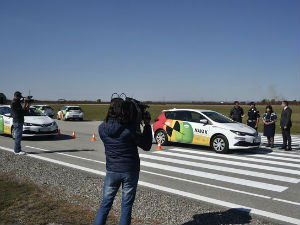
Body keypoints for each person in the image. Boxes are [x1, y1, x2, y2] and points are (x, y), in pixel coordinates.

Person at [94, 98, 152, 225]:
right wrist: (146, 124)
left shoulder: (101, 128)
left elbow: (115, 128)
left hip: (112, 170)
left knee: (105, 204)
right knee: (126, 206)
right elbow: (147, 145)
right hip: (130, 171)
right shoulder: (129, 129)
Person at [10, 91, 29, 155]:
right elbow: (22, 110)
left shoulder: (17, 102)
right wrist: (25, 102)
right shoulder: (14, 103)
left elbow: (24, 110)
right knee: (18, 136)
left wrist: (28, 103)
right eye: (20, 96)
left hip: (19, 120)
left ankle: (18, 149)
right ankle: (17, 151)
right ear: (16, 96)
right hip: (17, 121)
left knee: (19, 136)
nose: (20, 98)